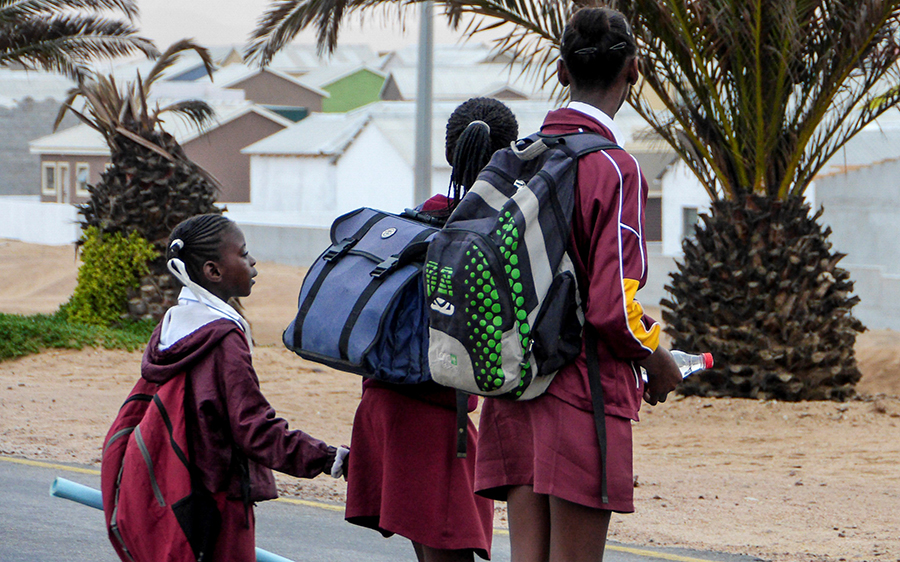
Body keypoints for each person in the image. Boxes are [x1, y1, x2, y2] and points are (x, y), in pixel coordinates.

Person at [473, 8, 683, 562]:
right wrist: (656, 357)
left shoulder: (516, 158)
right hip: (580, 395)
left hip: (514, 389)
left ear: (561, 71)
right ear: (634, 69)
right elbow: (613, 307)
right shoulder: (614, 168)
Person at [343, 97, 519, 562]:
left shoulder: (413, 220)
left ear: (449, 153)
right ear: (511, 158)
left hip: (382, 405)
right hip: (437, 420)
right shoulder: (496, 234)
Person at [142, 213, 348, 561]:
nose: (252, 262)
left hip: (176, 490)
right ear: (213, 271)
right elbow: (252, 427)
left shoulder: (171, 327)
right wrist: (328, 459)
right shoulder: (223, 338)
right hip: (219, 498)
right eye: (243, 253)